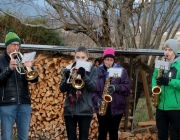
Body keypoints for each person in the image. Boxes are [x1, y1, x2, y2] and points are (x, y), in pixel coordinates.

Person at [0, 30, 38, 140]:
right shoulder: (0, 60)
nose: (16, 48)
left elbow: (34, 80)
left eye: (18, 45)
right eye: (13, 45)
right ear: (7, 45)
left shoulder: (23, 59)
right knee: (6, 137)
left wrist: (30, 67)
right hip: (7, 104)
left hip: (24, 103)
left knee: (23, 137)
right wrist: (9, 69)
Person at [92, 48, 131, 140]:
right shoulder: (97, 71)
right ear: (103, 59)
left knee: (113, 132)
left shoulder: (122, 71)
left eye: (111, 59)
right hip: (102, 106)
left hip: (117, 107)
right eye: (106, 59)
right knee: (102, 132)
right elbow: (92, 90)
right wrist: (97, 99)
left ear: (114, 60)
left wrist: (117, 87)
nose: (108, 62)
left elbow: (127, 89)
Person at [59, 46, 98, 140]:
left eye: (83, 57)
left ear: (87, 57)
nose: (80, 60)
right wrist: (67, 78)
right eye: (78, 57)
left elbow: (93, 87)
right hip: (70, 110)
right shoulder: (69, 69)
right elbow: (62, 89)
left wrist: (84, 76)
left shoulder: (93, 70)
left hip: (85, 110)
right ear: (74, 57)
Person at [152, 39, 180, 140]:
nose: (166, 52)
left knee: (175, 136)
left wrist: (169, 82)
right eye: (165, 49)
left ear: (174, 52)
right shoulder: (160, 64)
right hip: (160, 106)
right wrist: (154, 88)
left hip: (175, 107)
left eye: (169, 50)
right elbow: (154, 79)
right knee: (161, 135)